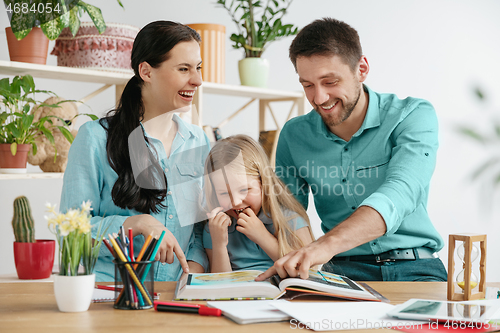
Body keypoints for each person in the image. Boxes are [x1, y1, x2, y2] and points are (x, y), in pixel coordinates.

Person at [257, 18, 447, 282]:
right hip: (343, 274)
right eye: (307, 85)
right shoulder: (294, 135)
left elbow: (400, 192)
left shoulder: (412, 116)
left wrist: (324, 246)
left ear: (362, 69)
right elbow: (289, 212)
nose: (319, 98)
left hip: (416, 267)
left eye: (330, 81)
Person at [60, 21, 210, 282]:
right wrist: (132, 224)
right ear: (146, 72)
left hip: (177, 296)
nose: (197, 80)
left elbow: (201, 227)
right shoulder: (95, 138)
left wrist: (193, 269)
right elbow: (70, 231)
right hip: (112, 296)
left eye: (197, 68)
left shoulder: (199, 141)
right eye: (184, 69)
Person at [202, 135, 314, 272]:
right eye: (224, 193)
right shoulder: (214, 228)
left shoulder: (291, 220)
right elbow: (220, 284)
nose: (236, 202)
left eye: (244, 189)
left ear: (264, 184)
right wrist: (219, 244)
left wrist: (262, 236)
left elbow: (309, 272)